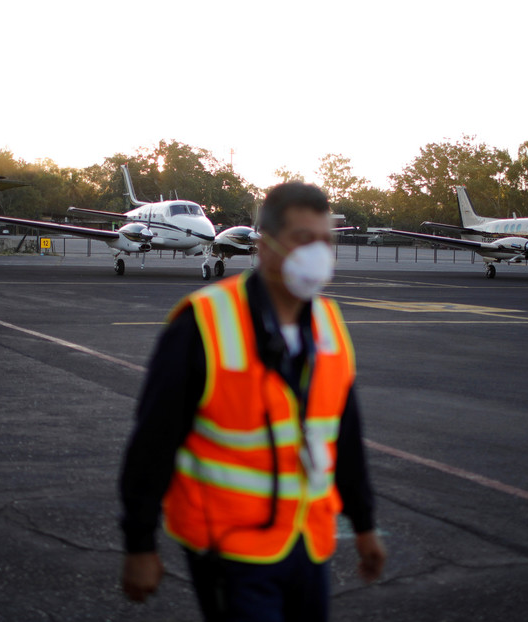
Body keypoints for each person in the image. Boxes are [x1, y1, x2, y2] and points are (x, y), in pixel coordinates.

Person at [119, 182, 386, 621]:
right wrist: (139, 544)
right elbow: (152, 443)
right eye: (304, 239)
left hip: (308, 541)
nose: (318, 252)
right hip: (230, 545)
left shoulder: (330, 324)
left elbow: (346, 435)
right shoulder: (202, 323)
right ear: (265, 246)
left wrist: (364, 524)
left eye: (326, 241)